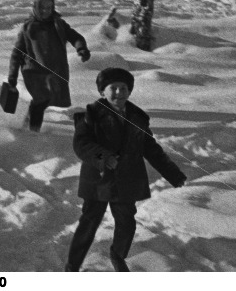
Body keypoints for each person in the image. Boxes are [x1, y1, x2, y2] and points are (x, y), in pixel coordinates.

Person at [65, 67, 187, 272]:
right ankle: (72, 265)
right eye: (113, 88)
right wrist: (104, 158)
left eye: (124, 88)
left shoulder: (138, 118)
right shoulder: (91, 115)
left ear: (129, 91)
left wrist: (174, 175)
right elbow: (81, 144)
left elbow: (151, 149)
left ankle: (118, 255)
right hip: (98, 180)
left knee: (127, 224)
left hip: (127, 181)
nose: (119, 93)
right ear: (103, 91)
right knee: (89, 223)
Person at [7, 0, 90, 132]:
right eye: (42, 7)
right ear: (36, 8)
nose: (46, 11)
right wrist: (12, 75)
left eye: (49, 8)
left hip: (54, 72)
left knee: (44, 101)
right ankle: (33, 131)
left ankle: (28, 123)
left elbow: (75, 37)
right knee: (42, 99)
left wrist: (81, 48)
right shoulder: (28, 27)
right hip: (33, 71)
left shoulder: (59, 24)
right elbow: (17, 53)